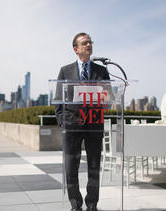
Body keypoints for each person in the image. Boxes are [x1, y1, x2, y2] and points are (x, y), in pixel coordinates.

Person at [55, 32, 110, 211]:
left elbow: (109, 97)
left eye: (90, 42)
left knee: (94, 166)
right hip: (72, 126)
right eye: (85, 43)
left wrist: (104, 98)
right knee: (71, 167)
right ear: (76, 49)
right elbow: (58, 100)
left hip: (94, 123)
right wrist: (63, 122)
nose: (89, 45)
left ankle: (92, 204)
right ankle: (75, 204)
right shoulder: (65, 70)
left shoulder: (101, 71)